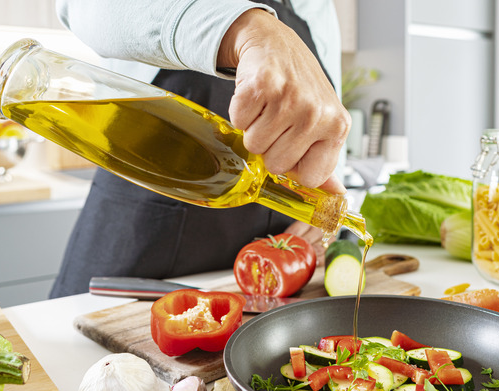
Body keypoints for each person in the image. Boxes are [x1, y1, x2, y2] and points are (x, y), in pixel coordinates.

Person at [49, 0, 350, 298]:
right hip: (144, 243)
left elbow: (323, 110)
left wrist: (322, 211)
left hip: (270, 269)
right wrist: (249, 29)